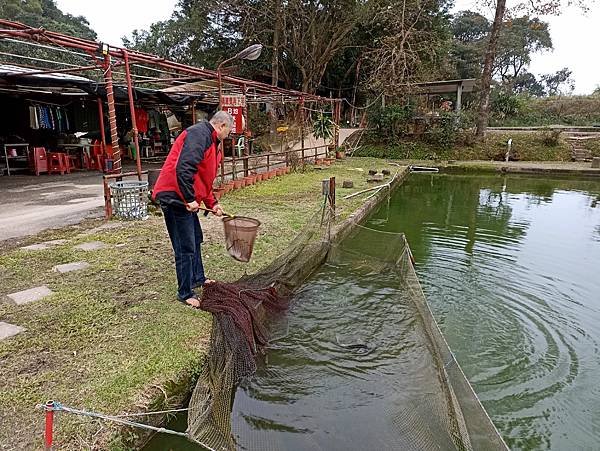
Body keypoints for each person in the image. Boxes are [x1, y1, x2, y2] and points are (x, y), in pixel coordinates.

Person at [152, 111, 233, 308]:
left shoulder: (213, 143)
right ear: (222, 125)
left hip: (185, 199)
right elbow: (184, 168)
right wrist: (189, 198)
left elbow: (202, 178)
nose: (229, 135)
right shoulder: (199, 134)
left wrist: (212, 203)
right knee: (185, 245)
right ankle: (185, 292)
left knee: (196, 239)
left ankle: (198, 277)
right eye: (229, 130)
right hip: (175, 198)